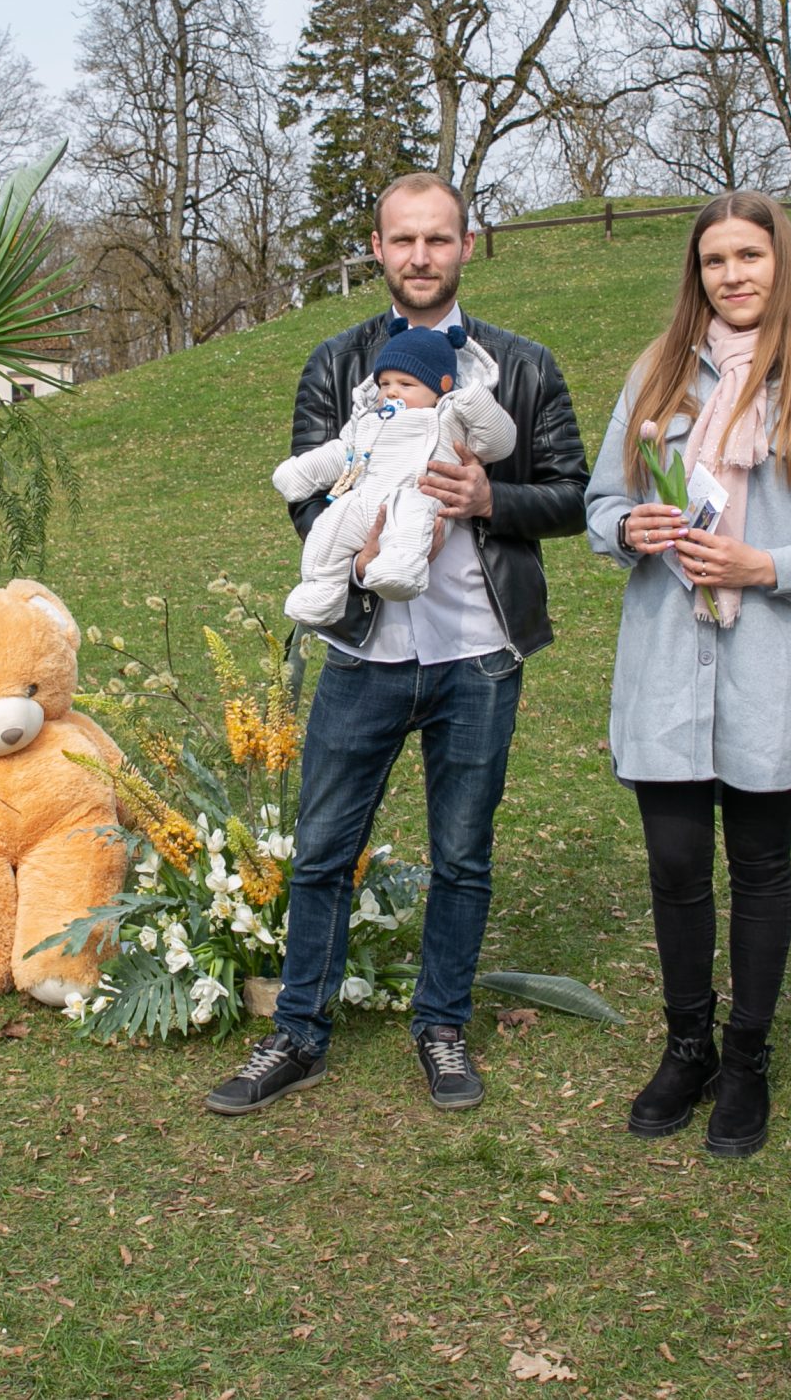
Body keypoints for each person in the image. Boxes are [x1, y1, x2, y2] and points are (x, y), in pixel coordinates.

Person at [205, 171, 587, 1117]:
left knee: (462, 853)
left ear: (466, 246)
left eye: (438, 239)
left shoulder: (521, 366)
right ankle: (299, 1031)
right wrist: (351, 546)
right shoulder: (335, 362)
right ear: (377, 248)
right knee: (324, 849)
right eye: (403, 240)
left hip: (479, 652)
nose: (421, 256)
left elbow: (576, 495)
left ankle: (441, 1024)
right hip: (364, 651)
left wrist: (492, 499)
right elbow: (308, 491)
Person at [584, 192, 791, 1158]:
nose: (732, 275)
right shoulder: (658, 372)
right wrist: (629, 525)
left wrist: (766, 565)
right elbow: (601, 501)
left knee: (760, 865)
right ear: (697, 274)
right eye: (714, 260)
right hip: (667, 664)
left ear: (781, 261)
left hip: (773, 664)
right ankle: (688, 1046)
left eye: (749, 256)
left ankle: (748, 1057)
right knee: (676, 864)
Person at [273, 321, 516, 621]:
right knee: (330, 526)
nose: (391, 392)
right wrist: (301, 473)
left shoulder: (451, 417)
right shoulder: (369, 420)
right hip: (366, 500)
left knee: (409, 515)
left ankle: (400, 569)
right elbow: (344, 452)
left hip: (422, 497)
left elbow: (498, 444)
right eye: (385, 384)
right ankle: (321, 591)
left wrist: (476, 402)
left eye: (405, 384)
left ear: (441, 386)